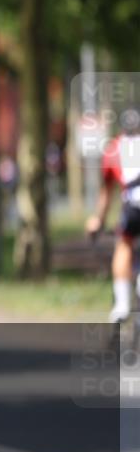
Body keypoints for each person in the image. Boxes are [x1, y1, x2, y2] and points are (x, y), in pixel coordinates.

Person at [86, 107, 140, 323]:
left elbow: (106, 194)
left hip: (132, 208)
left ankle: (122, 305)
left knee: (124, 244)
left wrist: (98, 220)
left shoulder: (113, 149)